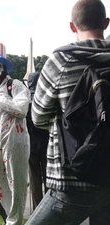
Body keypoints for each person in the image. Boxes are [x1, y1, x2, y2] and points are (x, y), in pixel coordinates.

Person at [26, 0, 110, 224]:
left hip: (71, 180)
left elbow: (38, 117)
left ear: (72, 26)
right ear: (106, 23)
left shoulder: (62, 60)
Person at [0, 42, 31, 225]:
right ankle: (11, 218)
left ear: (4, 68)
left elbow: (21, 109)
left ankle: (15, 220)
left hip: (15, 141)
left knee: (16, 180)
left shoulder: (14, 85)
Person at [26, 72, 48, 211]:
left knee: (34, 179)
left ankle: (37, 210)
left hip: (30, 142)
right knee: (49, 178)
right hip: (46, 141)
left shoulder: (25, 98)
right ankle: (49, 210)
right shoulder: (45, 97)